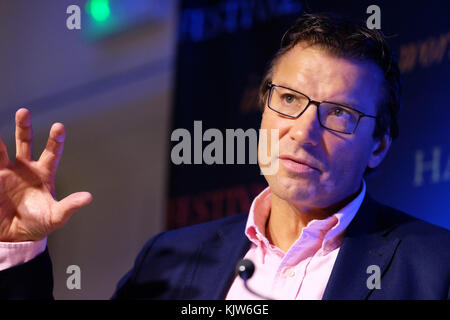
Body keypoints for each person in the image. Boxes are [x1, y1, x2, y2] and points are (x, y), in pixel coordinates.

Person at [0, 13, 449, 300]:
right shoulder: (170, 258)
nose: (303, 132)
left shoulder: (435, 269)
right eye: (289, 99)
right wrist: (19, 247)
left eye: (340, 114)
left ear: (379, 145)